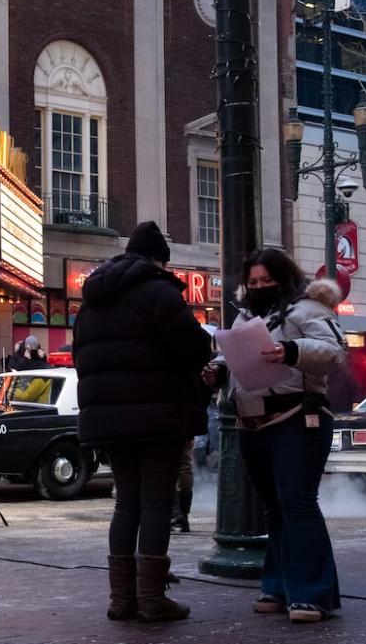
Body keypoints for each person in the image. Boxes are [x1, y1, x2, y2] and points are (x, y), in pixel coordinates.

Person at [72, 221, 212, 623]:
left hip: (109, 422)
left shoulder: (91, 302)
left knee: (126, 504)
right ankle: (151, 598)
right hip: (159, 417)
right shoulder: (159, 293)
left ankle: (121, 599)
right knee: (155, 503)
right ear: (157, 260)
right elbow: (194, 347)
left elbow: (83, 362)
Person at [204, 248, 346, 623]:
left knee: (296, 503)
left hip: (299, 415)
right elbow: (232, 357)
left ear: (283, 279)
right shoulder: (246, 317)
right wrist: (218, 370)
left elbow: (334, 352)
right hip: (253, 421)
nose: (260, 287)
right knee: (276, 508)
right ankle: (281, 586)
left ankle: (312, 593)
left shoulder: (309, 309)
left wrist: (290, 350)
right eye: (253, 282)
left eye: (267, 281)